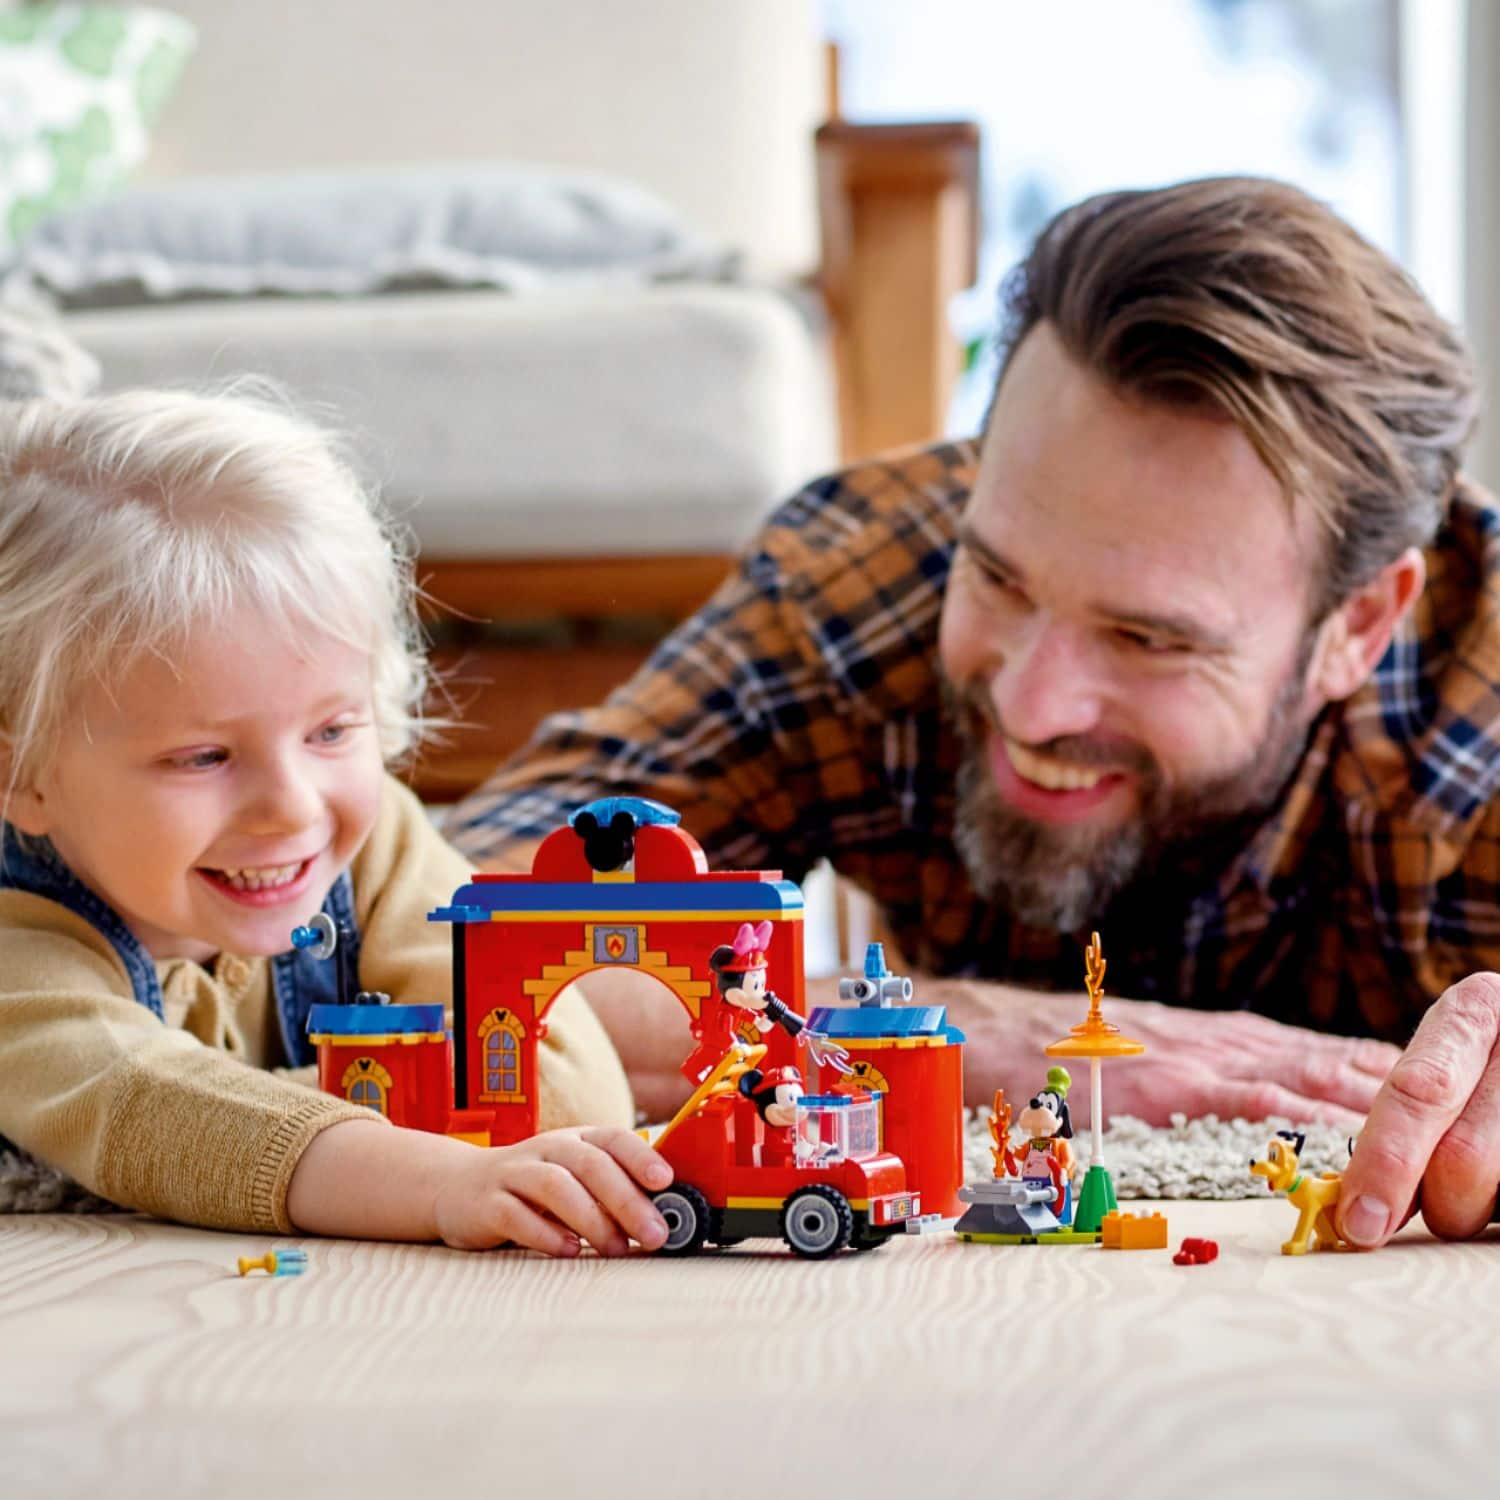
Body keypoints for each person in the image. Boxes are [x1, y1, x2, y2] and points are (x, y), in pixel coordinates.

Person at [446, 175, 1499, 1250]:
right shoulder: (860, 583)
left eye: (1149, 638)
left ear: (1360, 625)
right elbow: (413, 921)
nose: (1033, 705)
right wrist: (942, 1035)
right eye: (997, 577)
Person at [0, 387, 671, 1258]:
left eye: (331, 731)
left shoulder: (375, 844)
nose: (293, 806)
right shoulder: (20, 941)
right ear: (21, 775)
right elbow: (149, 1111)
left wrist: (276, 1103)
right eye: (203, 757)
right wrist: (437, 1180)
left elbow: (566, 1096)